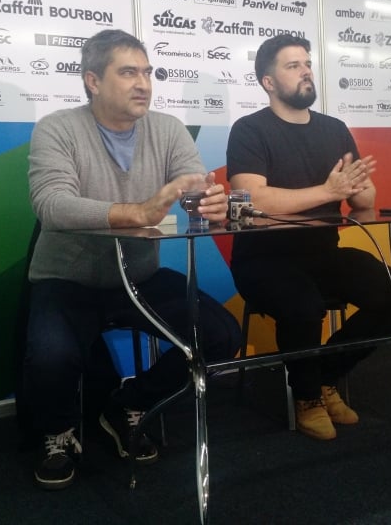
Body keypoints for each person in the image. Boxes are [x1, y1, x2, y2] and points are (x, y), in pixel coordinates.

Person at [25, 29, 241, 489]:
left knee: (221, 335)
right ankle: (60, 432)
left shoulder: (167, 128)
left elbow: (194, 189)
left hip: (138, 276)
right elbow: (51, 204)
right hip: (67, 278)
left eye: (147, 72)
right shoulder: (57, 127)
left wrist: (209, 203)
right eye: (128, 72)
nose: (143, 83)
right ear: (93, 81)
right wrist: (137, 213)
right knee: (50, 357)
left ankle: (128, 404)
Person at [226, 34, 391, 441]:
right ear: (268, 82)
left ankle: (324, 376)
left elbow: (363, 198)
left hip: (322, 254)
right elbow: (252, 202)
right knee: (303, 303)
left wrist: (357, 188)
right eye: (293, 66)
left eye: (307, 64)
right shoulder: (249, 129)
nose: (305, 72)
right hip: (264, 260)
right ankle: (308, 397)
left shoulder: (335, 129)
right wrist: (329, 192)